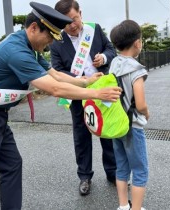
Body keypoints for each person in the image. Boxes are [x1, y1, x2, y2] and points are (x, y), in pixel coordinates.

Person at [0, 2, 121, 210]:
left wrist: (85, 82)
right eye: (50, 37)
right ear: (34, 28)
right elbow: (53, 88)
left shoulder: (29, 47)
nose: (51, 43)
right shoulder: (16, 51)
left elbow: (55, 74)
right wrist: (96, 93)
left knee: (12, 165)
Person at [50, 0, 117, 196]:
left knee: (107, 129)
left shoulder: (94, 30)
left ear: (81, 13)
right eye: (66, 22)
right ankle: (84, 176)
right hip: (78, 93)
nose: (72, 25)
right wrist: (81, 80)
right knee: (81, 135)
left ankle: (113, 173)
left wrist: (104, 58)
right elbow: (57, 70)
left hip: (102, 89)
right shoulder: (57, 42)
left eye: (75, 19)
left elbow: (110, 49)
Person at [109, 20, 150, 210]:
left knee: (122, 167)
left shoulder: (114, 64)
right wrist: (147, 113)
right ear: (137, 43)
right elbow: (140, 104)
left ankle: (123, 205)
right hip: (133, 125)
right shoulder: (136, 69)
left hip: (117, 124)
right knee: (140, 170)